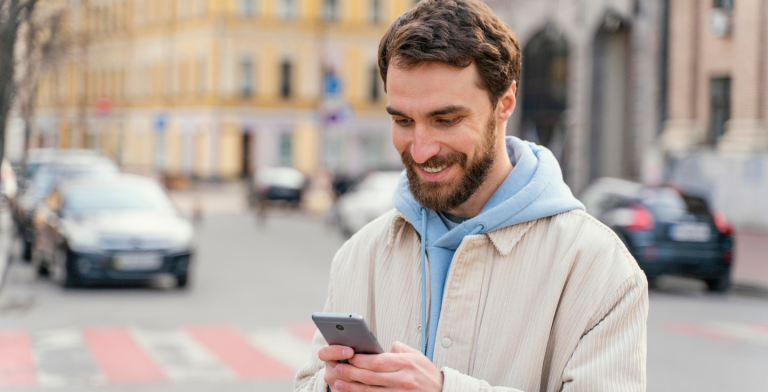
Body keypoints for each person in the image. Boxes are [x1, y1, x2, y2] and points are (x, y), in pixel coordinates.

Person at [295, 1, 648, 391]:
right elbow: (309, 382)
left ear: (506, 102)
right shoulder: (360, 255)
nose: (421, 150)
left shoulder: (600, 269)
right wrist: (334, 385)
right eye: (402, 121)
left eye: (446, 120)